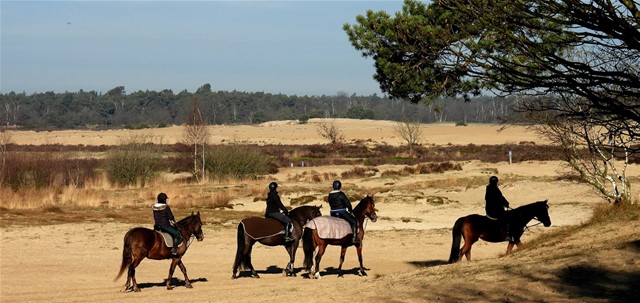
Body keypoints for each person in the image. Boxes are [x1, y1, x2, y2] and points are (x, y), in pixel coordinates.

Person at [328, 180, 359, 244]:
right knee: (354, 221)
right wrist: (350, 210)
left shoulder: (330, 195)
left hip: (332, 213)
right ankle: (354, 239)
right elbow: (347, 203)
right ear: (339, 186)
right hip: (341, 212)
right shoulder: (341, 194)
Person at [484, 176, 512, 241]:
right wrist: (506, 203)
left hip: (490, 209)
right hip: (494, 210)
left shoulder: (489, 188)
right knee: (506, 218)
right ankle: (507, 235)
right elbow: (500, 198)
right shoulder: (494, 189)